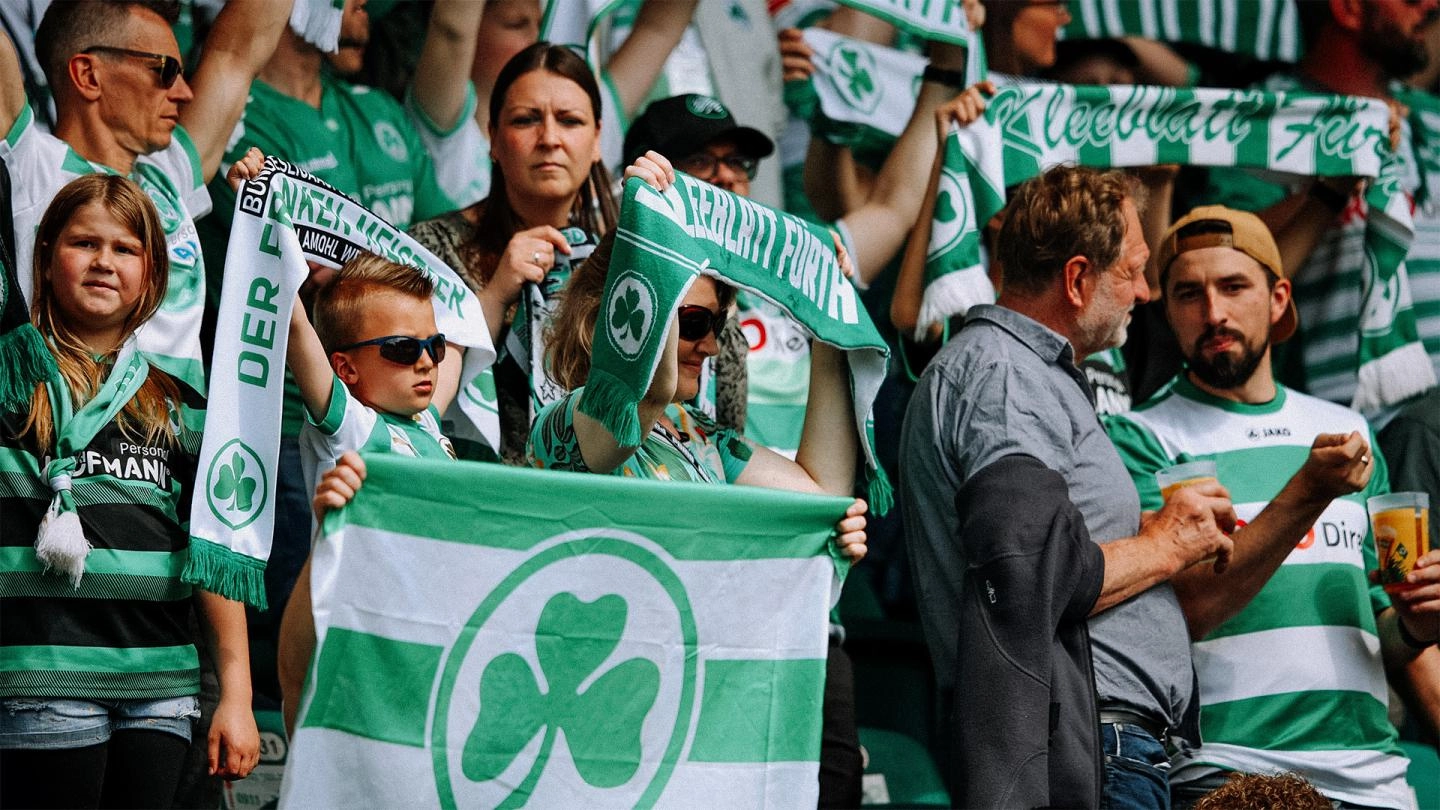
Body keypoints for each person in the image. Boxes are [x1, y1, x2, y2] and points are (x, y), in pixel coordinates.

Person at [899, 165, 1237, 808]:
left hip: (1103, 749)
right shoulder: (1005, 376)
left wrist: (1146, 533)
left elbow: (1039, 553)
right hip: (1086, 753)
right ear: (1078, 279)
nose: (1146, 290)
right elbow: (1028, 576)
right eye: (1133, 270)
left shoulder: (1022, 374)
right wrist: (1167, 543)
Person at [1105, 205, 1440, 809]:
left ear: (1280, 298)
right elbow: (1190, 609)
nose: (1214, 313)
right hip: (1227, 776)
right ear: (1166, 310)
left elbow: (1378, 632)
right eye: (1188, 294)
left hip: (1374, 779)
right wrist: (1306, 493)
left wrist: (1417, 624)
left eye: (1234, 287)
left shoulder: (1347, 429)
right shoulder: (1138, 437)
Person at [0, 174, 258, 808]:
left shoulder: (180, 407)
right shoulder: (9, 382)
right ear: (44, 257)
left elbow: (214, 555)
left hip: (158, 689)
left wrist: (238, 692)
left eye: (125, 249)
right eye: (84, 243)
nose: (103, 262)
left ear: (152, 274)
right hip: (41, 677)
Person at [0, 0, 289, 391]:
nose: (185, 93)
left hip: (182, 442)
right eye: (164, 71)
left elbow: (236, 54)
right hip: (73, 437)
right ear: (88, 75)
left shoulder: (170, 175)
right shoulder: (29, 166)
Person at [1202, 0, 1440, 407]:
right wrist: (1329, 187)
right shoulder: (1262, 118)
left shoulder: (1430, 115)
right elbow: (1221, 253)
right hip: (1350, 419)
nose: (1431, 5)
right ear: (1348, 8)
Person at [274, 248, 464, 736]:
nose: (426, 362)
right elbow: (296, 329)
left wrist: (503, 285)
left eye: (433, 346)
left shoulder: (425, 423)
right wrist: (265, 221)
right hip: (362, 640)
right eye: (402, 349)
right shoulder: (351, 425)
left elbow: (465, 341)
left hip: (427, 642)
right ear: (345, 369)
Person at [408, 42, 623, 463]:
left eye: (570, 120)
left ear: (597, 139)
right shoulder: (429, 247)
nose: (549, 139)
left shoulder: (624, 260)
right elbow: (405, 395)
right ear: (493, 138)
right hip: (470, 494)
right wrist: (494, 295)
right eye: (526, 120)